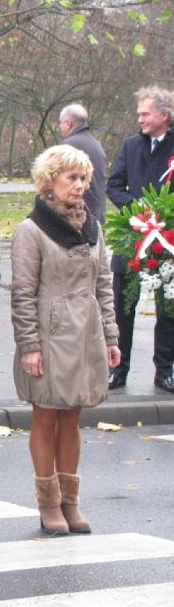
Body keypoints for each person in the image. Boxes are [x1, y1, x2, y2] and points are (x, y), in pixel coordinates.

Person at [12, 145, 120, 534]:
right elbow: (22, 294)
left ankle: (71, 501)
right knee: (45, 416)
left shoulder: (93, 227)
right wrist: (30, 346)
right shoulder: (31, 230)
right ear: (50, 181)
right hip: (50, 333)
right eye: (71, 178)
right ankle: (48, 504)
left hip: (86, 333)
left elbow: (104, 285)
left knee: (73, 417)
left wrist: (110, 335)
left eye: (83, 179)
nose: (79, 186)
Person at [106, 86, 174, 394]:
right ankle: (118, 368)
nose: (140, 119)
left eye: (145, 114)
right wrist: (135, 209)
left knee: (168, 308)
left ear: (164, 115)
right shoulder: (132, 145)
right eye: (139, 114)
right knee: (123, 306)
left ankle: (165, 370)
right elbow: (114, 184)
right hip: (131, 237)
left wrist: (164, 214)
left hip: (167, 240)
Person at [58, 104, 108, 224]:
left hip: (79, 216)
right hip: (98, 214)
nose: (60, 126)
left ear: (68, 123)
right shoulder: (96, 145)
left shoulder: (68, 148)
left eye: (61, 123)